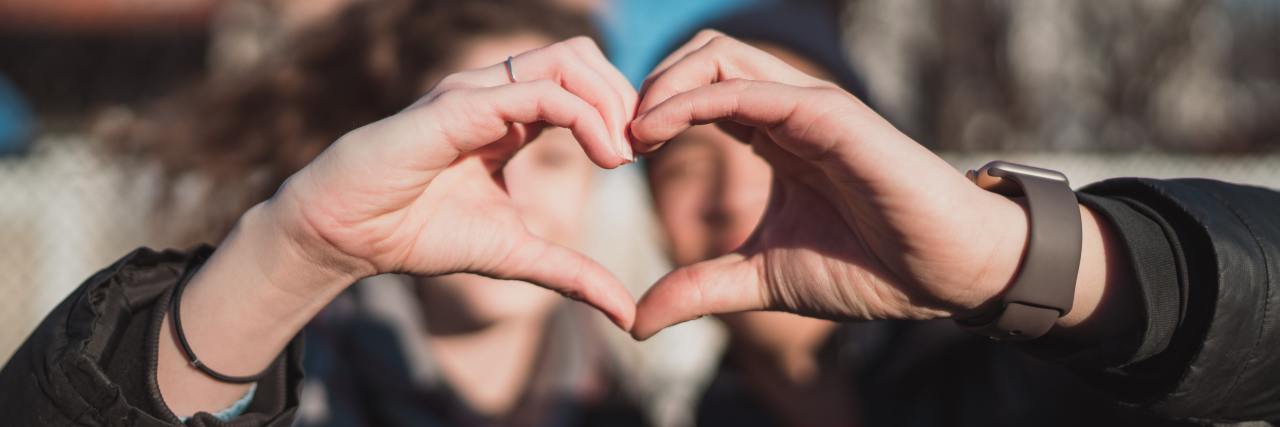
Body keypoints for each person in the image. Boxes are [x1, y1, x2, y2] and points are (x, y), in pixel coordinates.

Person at [2, 16, 1279, 427]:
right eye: (691, 157)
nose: (735, 191)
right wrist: (289, 254)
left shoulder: (1030, 368)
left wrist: (1021, 258)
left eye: (786, 146)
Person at [0, 1, 649, 426]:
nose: (514, 192)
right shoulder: (284, 379)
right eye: (477, 152)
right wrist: (297, 249)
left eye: (557, 160)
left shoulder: (637, 408)